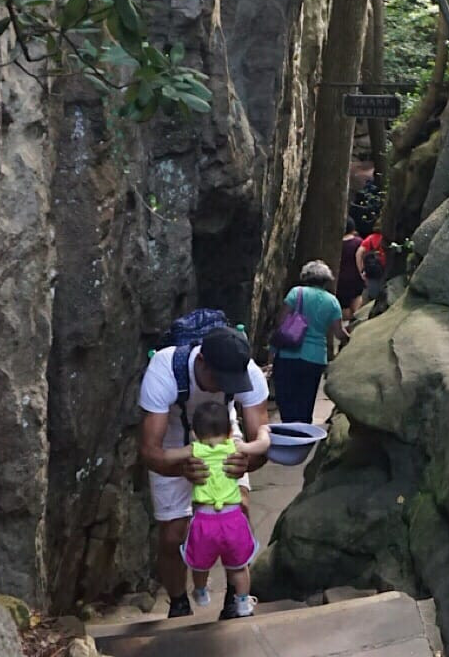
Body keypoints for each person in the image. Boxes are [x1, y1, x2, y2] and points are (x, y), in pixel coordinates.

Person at [139, 327, 271, 619]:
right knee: (174, 535)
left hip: (224, 435)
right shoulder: (165, 370)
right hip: (174, 439)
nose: (223, 386)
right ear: (201, 362)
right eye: (218, 379)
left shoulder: (247, 372)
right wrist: (181, 468)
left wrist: (246, 463)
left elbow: (259, 440)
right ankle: (179, 602)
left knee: (239, 514)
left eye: (230, 382)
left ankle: (234, 599)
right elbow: (150, 451)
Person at [162, 402, 271, 618]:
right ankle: (242, 602)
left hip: (204, 521)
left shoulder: (194, 449)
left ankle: (201, 592)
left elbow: (166, 457)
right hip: (233, 519)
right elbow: (261, 446)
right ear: (231, 431)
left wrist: (180, 460)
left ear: (194, 433)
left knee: (200, 564)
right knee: (239, 566)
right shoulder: (234, 446)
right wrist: (263, 431)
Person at [271, 261, 350, 424]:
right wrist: (350, 339)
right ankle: (302, 436)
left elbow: (280, 320)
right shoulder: (332, 301)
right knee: (306, 401)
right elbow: (338, 332)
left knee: (286, 400)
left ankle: (288, 431)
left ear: (306, 277)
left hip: (288, 353)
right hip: (315, 358)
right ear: (327, 280)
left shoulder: (296, 293)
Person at [337, 217, 364, 322]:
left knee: (343, 307)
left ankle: (341, 328)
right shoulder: (359, 242)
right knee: (356, 301)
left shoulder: (336, 243)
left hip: (340, 279)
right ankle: (354, 324)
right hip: (355, 278)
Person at [356, 228, 387, 302]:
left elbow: (359, 253)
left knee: (373, 294)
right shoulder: (386, 239)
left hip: (372, 271)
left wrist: (361, 270)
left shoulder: (370, 239)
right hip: (384, 269)